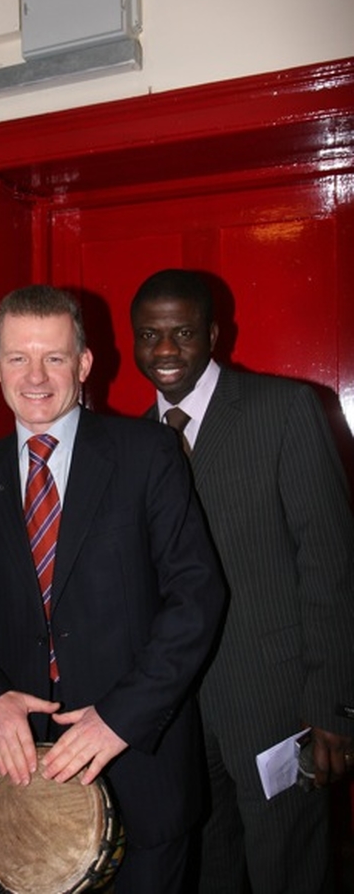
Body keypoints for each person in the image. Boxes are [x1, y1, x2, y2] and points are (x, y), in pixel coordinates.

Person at [0, 284, 225, 894]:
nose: (36, 376)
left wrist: (119, 719)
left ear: (83, 364)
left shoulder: (148, 453)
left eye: (54, 357)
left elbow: (197, 600)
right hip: (26, 788)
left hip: (141, 770)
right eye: (18, 357)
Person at [129, 268, 354, 894]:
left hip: (276, 703)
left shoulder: (283, 412)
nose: (166, 350)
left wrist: (334, 707)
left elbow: (332, 564)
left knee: (292, 872)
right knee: (205, 870)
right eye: (150, 334)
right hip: (175, 713)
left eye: (183, 333)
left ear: (213, 334)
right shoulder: (130, 443)